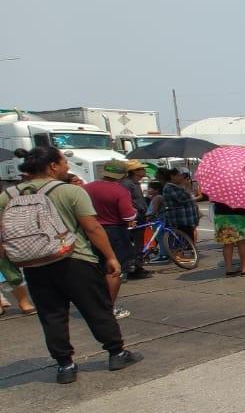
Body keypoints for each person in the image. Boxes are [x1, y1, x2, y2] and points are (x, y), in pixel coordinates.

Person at [0, 148, 142, 384]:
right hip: (75, 259)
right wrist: (110, 256)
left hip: (35, 263)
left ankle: (65, 366)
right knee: (96, 308)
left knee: (51, 315)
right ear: (53, 166)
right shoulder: (69, 192)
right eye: (64, 161)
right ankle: (116, 353)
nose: (67, 166)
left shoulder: (8, 196)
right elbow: (92, 228)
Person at [84, 159, 138, 319]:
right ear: (123, 175)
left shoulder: (86, 188)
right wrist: (134, 213)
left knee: (97, 269)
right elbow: (128, 215)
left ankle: (97, 304)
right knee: (114, 269)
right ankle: (109, 307)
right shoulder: (120, 191)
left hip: (90, 230)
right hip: (114, 232)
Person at [120, 159, 153, 280]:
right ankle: (134, 268)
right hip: (134, 217)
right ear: (134, 171)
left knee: (139, 243)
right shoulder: (127, 184)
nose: (144, 170)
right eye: (141, 168)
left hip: (140, 215)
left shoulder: (135, 183)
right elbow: (127, 201)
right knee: (135, 244)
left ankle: (137, 266)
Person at [213, 201, 245, 277]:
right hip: (240, 215)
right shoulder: (242, 189)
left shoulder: (219, 190)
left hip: (222, 215)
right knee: (242, 243)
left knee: (227, 243)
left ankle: (229, 269)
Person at [163, 167, 200, 242]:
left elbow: (190, 198)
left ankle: (189, 252)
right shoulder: (169, 187)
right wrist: (186, 187)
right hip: (180, 221)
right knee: (183, 243)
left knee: (188, 241)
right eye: (179, 175)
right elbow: (183, 199)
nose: (182, 177)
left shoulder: (177, 187)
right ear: (172, 176)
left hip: (186, 221)